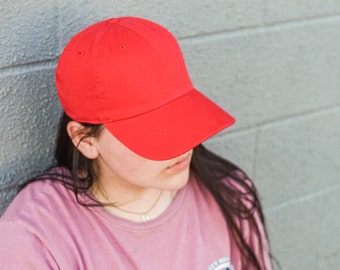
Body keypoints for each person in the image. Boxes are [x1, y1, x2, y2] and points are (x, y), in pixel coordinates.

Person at [0, 16, 272, 269]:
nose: (184, 144)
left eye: (184, 119)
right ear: (85, 139)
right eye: (155, 131)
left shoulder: (229, 193)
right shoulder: (35, 237)